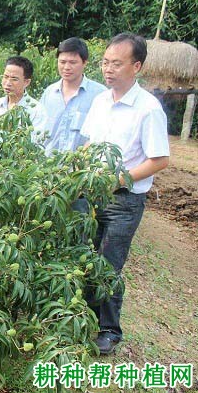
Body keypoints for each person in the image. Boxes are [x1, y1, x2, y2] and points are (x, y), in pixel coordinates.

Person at [80, 33, 170, 355]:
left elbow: (160, 158)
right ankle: (85, 317)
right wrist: (81, 167)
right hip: (94, 194)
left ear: (137, 66)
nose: (108, 69)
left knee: (109, 264)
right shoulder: (101, 100)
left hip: (124, 201)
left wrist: (121, 178)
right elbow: (90, 141)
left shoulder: (148, 108)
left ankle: (109, 330)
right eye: (105, 62)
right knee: (88, 257)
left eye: (117, 63)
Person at [40, 37, 106, 156]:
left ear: (84, 62)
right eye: (62, 62)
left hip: (81, 170)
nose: (66, 67)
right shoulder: (49, 93)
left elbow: (103, 134)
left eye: (73, 62)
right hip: (47, 168)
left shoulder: (100, 94)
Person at [0, 56, 48, 135]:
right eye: (5, 77)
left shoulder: (37, 110)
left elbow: (36, 142)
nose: (8, 83)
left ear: (26, 82)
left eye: (14, 79)